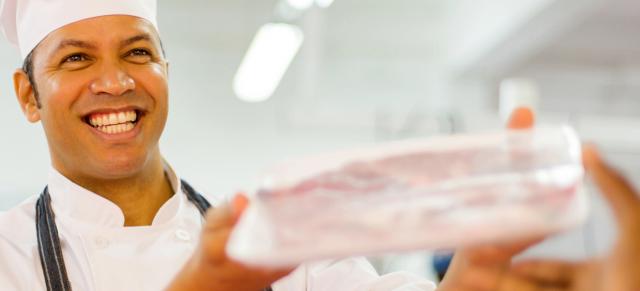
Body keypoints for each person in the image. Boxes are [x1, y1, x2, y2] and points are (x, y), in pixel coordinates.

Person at [1, 1, 638, 291]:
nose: (114, 82)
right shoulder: (9, 259)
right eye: (76, 59)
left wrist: (477, 266)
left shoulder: (282, 247)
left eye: (138, 52)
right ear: (28, 96)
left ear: (167, 71)